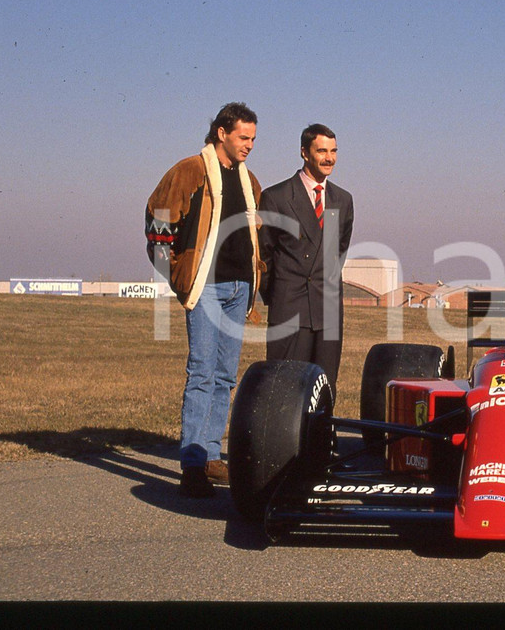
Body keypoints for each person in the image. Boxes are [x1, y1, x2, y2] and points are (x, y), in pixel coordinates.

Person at [145, 102, 263, 498]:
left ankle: (212, 455)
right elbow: (159, 221)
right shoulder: (189, 171)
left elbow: (255, 237)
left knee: (226, 376)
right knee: (202, 374)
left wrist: (254, 280)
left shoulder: (252, 182)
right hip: (205, 288)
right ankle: (193, 465)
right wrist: (177, 277)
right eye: (243, 138)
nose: (249, 145)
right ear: (221, 134)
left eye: (252, 139)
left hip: (238, 290)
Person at [258, 123, 354, 394]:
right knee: (284, 388)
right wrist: (279, 294)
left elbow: (338, 250)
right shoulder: (276, 198)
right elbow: (264, 255)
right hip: (290, 308)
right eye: (322, 150)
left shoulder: (343, 200)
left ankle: (320, 438)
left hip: (328, 310)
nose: (329, 158)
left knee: (323, 390)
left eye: (334, 151)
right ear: (304, 152)